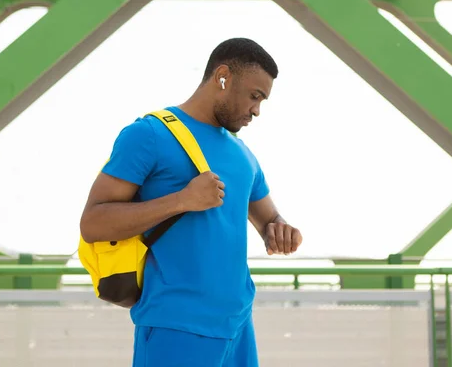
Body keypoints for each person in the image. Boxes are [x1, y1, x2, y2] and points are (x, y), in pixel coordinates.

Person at [80, 37, 303, 367]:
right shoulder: (149, 134)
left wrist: (282, 231)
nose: (257, 110)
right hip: (175, 325)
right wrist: (182, 200)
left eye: (262, 101)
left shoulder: (244, 155)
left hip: (238, 327)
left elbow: (271, 221)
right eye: (254, 96)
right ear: (223, 77)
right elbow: (93, 223)